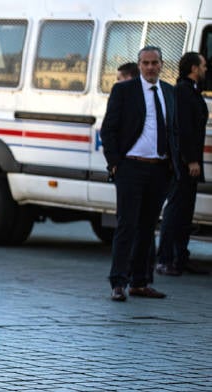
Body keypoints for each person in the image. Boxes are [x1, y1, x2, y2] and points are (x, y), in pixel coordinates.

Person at [100, 46, 177, 302]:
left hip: (158, 169)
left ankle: (140, 282)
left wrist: (173, 164)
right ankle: (118, 283)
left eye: (155, 63)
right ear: (139, 65)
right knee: (127, 226)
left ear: (161, 64)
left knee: (147, 228)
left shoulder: (168, 91)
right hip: (131, 167)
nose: (150, 67)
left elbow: (173, 129)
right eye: (145, 63)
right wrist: (114, 164)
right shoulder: (124, 90)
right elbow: (108, 128)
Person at [156, 52, 210, 276]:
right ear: (194, 68)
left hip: (189, 164)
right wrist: (191, 160)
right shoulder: (182, 92)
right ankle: (165, 259)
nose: (206, 69)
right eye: (203, 65)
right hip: (183, 163)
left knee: (185, 211)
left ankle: (180, 257)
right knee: (175, 209)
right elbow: (183, 129)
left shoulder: (191, 91)